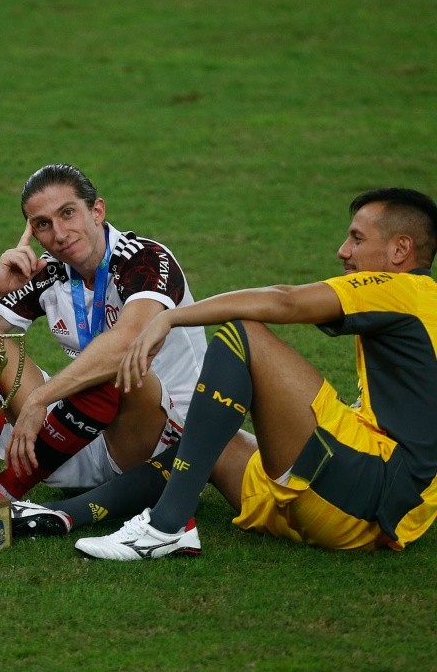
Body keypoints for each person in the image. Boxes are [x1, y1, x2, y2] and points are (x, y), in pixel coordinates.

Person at [61, 187, 437, 559]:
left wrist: (171, 317)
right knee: (215, 437)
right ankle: (62, 514)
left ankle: (165, 526)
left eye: (357, 238)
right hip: (386, 511)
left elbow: (285, 301)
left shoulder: (404, 289)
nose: (343, 250)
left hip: (370, 490)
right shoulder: (424, 305)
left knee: (244, 333)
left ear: (400, 249)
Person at [0, 163, 213, 500]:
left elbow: (128, 343)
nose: (59, 234)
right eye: (43, 224)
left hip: (161, 443)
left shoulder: (145, 259)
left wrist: (39, 400)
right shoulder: (49, 272)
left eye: (67, 213)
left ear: (97, 210)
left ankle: (9, 489)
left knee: (126, 365)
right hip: (79, 434)